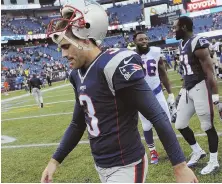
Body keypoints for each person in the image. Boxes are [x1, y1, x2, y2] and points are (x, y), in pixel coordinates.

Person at [41, 1, 198, 183]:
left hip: (127, 165)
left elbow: (157, 115)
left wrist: (180, 165)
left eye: (66, 46)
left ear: (85, 38)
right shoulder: (76, 75)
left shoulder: (115, 65)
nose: (63, 55)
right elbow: (77, 124)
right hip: (101, 165)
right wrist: (54, 161)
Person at [173, 16, 221, 175]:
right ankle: (198, 151)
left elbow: (209, 71)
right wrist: (181, 91)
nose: (173, 30)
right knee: (180, 124)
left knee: (207, 125)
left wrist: (215, 95)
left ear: (184, 27)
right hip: (188, 88)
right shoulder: (181, 43)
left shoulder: (197, 43)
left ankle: (213, 161)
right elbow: (187, 71)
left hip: (201, 86)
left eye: (175, 27)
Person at [133, 32, 177, 164]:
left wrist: (170, 93)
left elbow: (163, 73)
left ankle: (171, 149)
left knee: (166, 122)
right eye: (141, 39)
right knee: (146, 126)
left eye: (146, 38)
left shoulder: (156, 52)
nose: (144, 41)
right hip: (141, 96)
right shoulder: (131, 56)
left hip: (157, 92)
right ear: (135, 41)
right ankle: (153, 152)